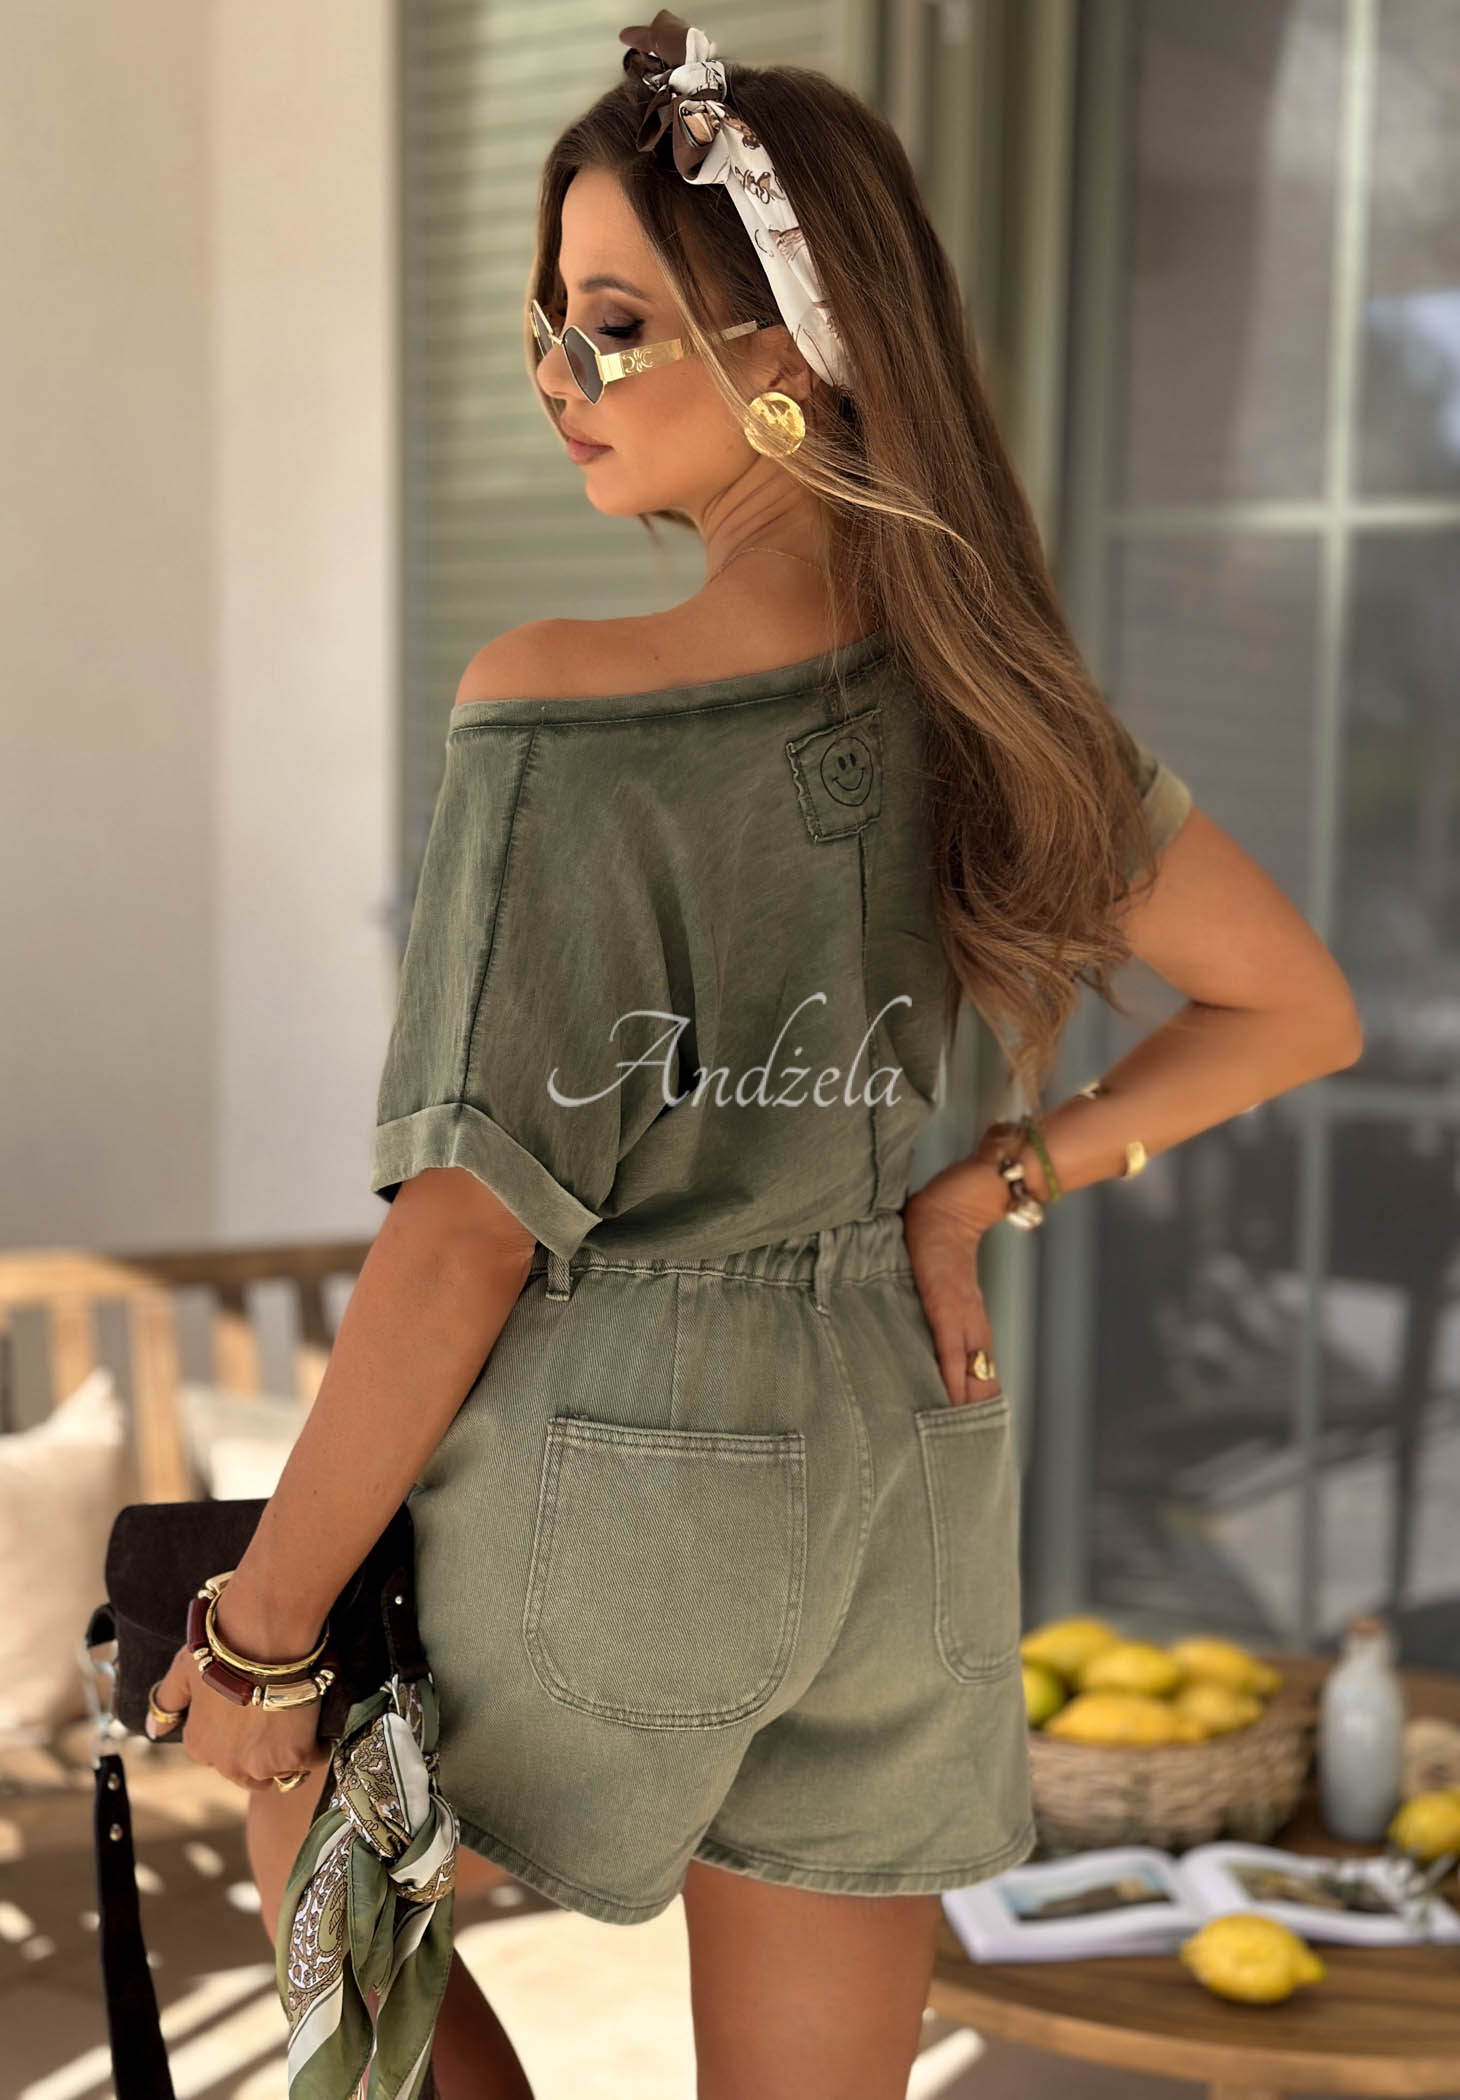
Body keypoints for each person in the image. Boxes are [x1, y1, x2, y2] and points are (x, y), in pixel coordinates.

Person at [148, 13, 1363, 2097]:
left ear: (799, 340)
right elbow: (1298, 1005)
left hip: (626, 1479)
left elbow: (469, 1233)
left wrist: (259, 1634)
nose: (559, 376)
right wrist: (990, 1184)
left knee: (315, 1802)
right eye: (548, 326)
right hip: (908, 1480)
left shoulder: (562, 699)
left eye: (613, 325)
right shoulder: (999, 705)